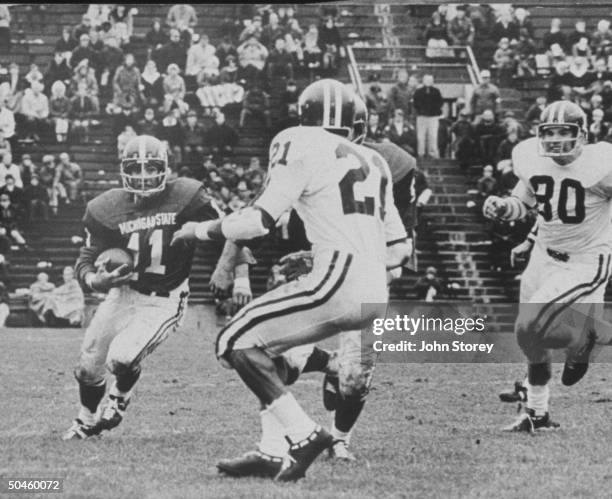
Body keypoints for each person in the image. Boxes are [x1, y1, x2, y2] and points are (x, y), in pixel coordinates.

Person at [171, 79, 410, 481]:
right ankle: (270, 451)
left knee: (233, 342)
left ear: (304, 115)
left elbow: (256, 222)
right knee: (270, 353)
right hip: (373, 291)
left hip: (336, 280)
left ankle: (304, 434)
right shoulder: (376, 160)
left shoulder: (298, 140)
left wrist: (196, 230)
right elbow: (400, 249)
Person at [62, 135, 240, 440]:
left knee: (121, 357)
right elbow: (87, 258)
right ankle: (86, 420)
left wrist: (233, 271)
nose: (144, 177)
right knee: (89, 364)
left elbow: (233, 230)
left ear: (166, 168)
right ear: (124, 170)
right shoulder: (105, 207)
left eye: (152, 168)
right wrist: (95, 280)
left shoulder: (188, 195)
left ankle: (120, 395)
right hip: (123, 293)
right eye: (136, 169)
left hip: (164, 299)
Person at [482, 101, 612, 432]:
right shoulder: (532, 159)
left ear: (582, 134)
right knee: (532, 340)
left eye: (563, 132)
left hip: (585, 259)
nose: (554, 139)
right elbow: (525, 202)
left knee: (529, 326)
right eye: (548, 132)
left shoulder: (602, 165)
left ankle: (588, 336)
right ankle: (536, 412)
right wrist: (503, 208)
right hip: (543, 255)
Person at [413, 74, 443, 158]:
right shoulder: (418, 91)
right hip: (421, 117)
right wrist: (421, 110)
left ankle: (432, 154)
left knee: (433, 136)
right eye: (427, 80)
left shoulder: (436, 91)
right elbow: (415, 103)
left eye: (430, 80)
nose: (428, 82)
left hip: (433, 117)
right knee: (420, 137)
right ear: (423, 81)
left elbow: (440, 102)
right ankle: (421, 154)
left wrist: (435, 111)